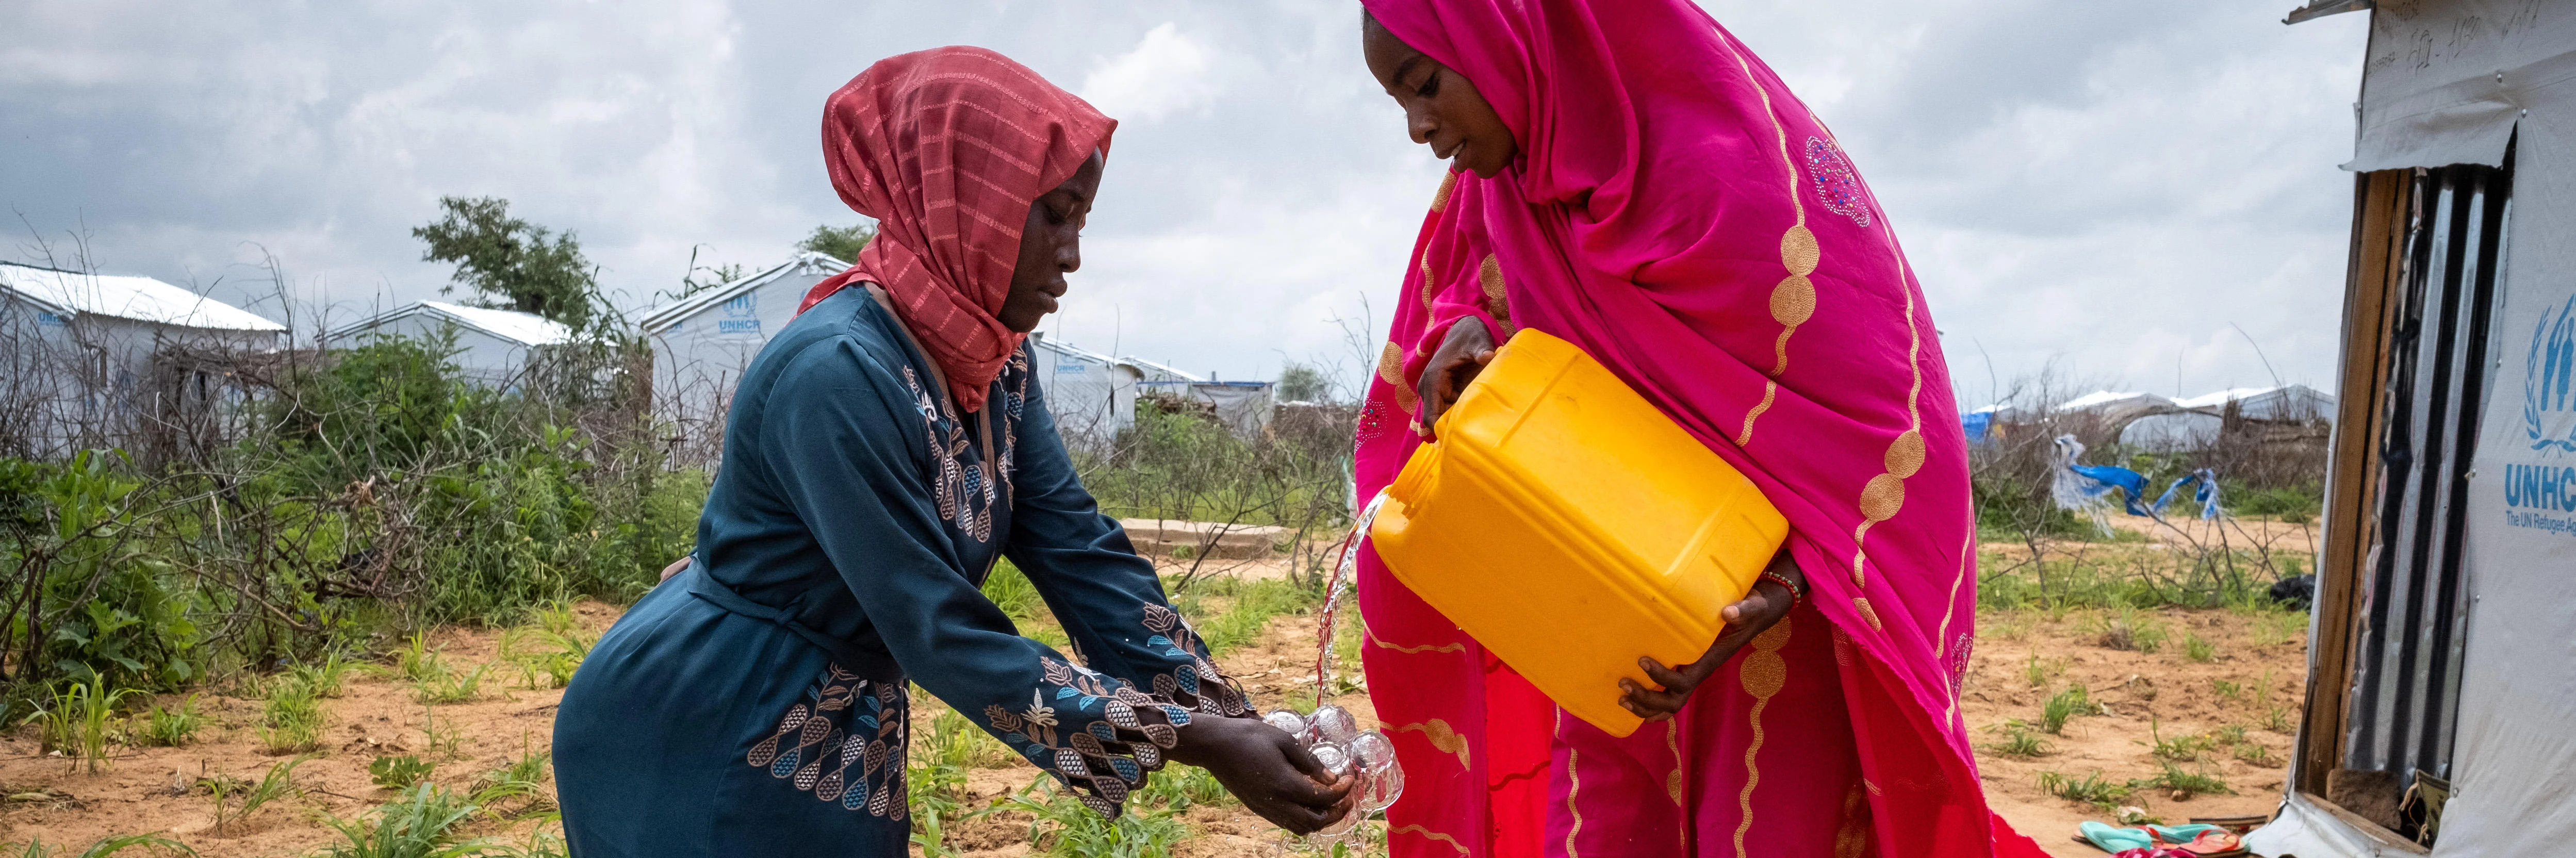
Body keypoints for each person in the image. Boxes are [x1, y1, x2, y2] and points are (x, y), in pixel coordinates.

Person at [552, 46, 1352, 856]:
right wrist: (1199, 741)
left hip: (834, 731)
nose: (1073, 254)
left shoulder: (994, 364)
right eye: (1056, 214)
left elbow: (1077, 548)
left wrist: (1231, 720)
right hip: (702, 716)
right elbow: (934, 626)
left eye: (1083, 221)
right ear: (972, 198)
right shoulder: (834, 375)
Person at [1346, 3, 2052, 856]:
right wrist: (1471, 325)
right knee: (1603, 827)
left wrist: (1780, 587)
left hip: (1778, 626)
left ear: (1514, 39)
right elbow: (1484, 294)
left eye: (1426, 86)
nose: (1419, 128)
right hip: (1612, 597)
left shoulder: (1729, 186)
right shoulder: (1506, 184)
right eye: (1397, 104)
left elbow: (1882, 424)